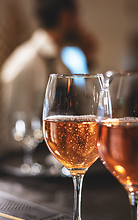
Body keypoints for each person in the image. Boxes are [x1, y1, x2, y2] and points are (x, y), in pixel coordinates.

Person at [0, 0, 97, 152]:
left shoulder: (59, 60)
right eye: (77, 16)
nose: (81, 24)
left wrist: (89, 61)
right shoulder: (26, 62)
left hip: (53, 157)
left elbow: (82, 109)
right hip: (26, 161)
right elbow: (13, 130)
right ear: (65, 17)